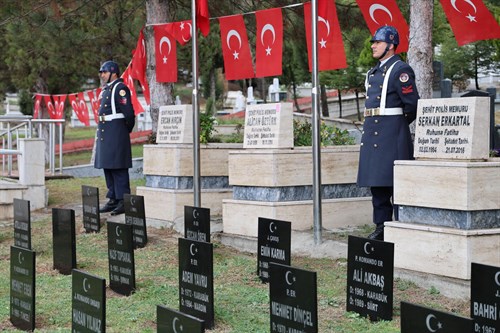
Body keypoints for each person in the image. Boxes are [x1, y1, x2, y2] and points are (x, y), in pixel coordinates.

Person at [357, 26, 419, 240]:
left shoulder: (401, 70)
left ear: (391, 45)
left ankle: (400, 227)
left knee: (395, 184)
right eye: (373, 42)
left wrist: (397, 127)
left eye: (378, 42)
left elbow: (412, 105)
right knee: (378, 184)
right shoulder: (373, 72)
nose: (373, 45)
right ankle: (381, 226)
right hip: (373, 131)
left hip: (392, 134)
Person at [94, 60, 135, 215]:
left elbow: (129, 114)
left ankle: (123, 200)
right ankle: (113, 198)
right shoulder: (107, 90)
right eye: (101, 72)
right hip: (106, 132)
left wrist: (124, 132)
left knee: (118, 167)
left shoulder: (120, 88)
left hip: (116, 132)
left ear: (113, 72)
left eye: (104, 72)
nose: (102, 75)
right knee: (108, 166)